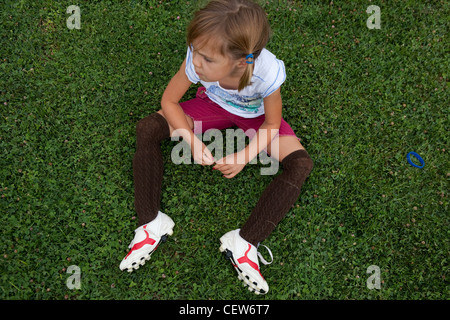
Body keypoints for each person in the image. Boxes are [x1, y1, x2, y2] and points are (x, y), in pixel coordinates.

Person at [119, 0, 313, 295]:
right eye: (195, 51)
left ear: (241, 61)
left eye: (207, 59)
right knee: (147, 128)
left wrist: (244, 156)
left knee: (300, 164)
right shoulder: (199, 56)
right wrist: (191, 140)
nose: (196, 62)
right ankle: (150, 223)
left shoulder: (267, 71)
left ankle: (245, 242)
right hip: (210, 106)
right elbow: (169, 101)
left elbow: (272, 123)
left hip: (257, 119)